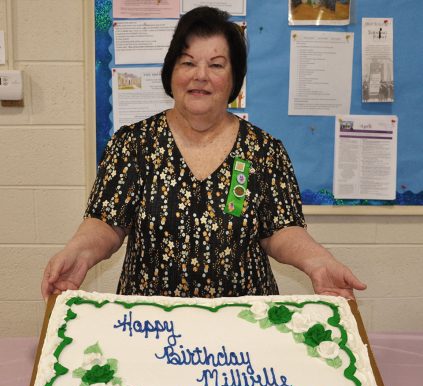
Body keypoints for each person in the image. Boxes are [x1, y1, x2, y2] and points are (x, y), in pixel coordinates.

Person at [41, 6, 366, 301]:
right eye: (188, 62)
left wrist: (319, 261)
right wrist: (79, 252)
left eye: (216, 65)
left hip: (243, 323)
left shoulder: (264, 150)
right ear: (171, 73)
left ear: (234, 79)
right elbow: (106, 222)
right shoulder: (133, 144)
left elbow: (281, 229)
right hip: (150, 324)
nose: (200, 75)